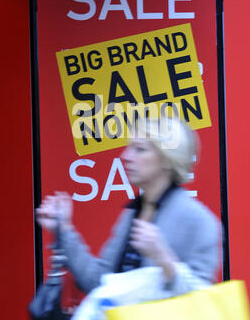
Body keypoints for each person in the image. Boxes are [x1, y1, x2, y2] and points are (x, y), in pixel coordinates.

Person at [36, 117, 221, 298]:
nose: (126, 157)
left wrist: (164, 259)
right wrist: (64, 229)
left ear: (167, 159)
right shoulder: (132, 214)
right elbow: (98, 282)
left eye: (139, 149)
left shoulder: (200, 221)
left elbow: (203, 302)